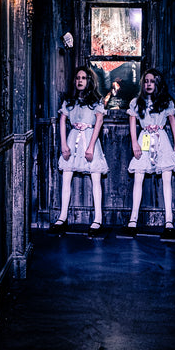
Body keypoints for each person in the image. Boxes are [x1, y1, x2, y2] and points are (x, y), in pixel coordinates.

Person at [125, 68, 175, 232]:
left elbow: (172, 122)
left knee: (166, 179)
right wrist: (135, 143)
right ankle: (133, 219)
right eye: (146, 81)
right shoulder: (136, 102)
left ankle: (168, 220)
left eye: (152, 81)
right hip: (145, 140)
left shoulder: (166, 102)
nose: (149, 84)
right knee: (138, 177)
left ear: (158, 84)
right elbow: (132, 123)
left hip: (161, 139)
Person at [54, 66, 108, 233]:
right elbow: (63, 120)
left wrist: (91, 146)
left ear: (89, 81)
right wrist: (63, 144)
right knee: (66, 177)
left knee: (95, 179)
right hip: (73, 138)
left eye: (83, 78)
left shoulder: (96, 101)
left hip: (89, 138)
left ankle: (98, 219)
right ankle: (62, 217)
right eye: (78, 78)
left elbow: (98, 122)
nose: (80, 81)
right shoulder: (69, 100)